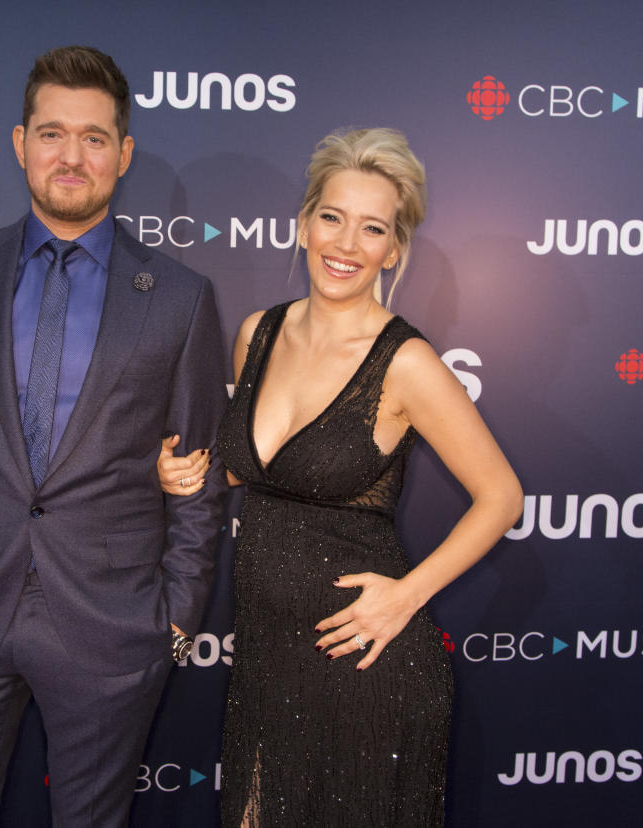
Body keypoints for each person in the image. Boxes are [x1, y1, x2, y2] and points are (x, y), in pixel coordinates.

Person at [0, 45, 228, 828]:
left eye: (95, 138)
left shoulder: (179, 298)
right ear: (20, 142)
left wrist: (175, 613)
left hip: (111, 626)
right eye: (52, 133)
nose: (72, 157)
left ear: (124, 153)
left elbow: (199, 468)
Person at [160, 128, 523, 826]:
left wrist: (405, 598)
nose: (347, 244)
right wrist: (182, 470)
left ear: (395, 248)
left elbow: (501, 496)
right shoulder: (257, 333)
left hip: (366, 670)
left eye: (373, 229)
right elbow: (253, 468)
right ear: (303, 225)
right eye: (332, 217)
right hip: (267, 661)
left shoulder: (405, 362)